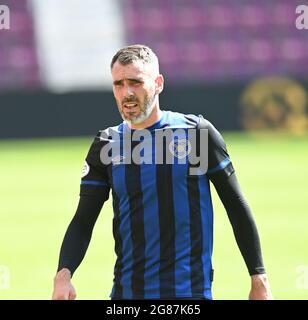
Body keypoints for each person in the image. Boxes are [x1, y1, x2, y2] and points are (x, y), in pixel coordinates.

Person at [52, 44, 273, 300]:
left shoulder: (197, 134)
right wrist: (63, 275)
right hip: (126, 295)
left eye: (135, 82)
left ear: (158, 83)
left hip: (189, 294)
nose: (127, 93)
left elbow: (236, 205)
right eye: (119, 84)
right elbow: (83, 221)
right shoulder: (107, 144)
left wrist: (259, 278)